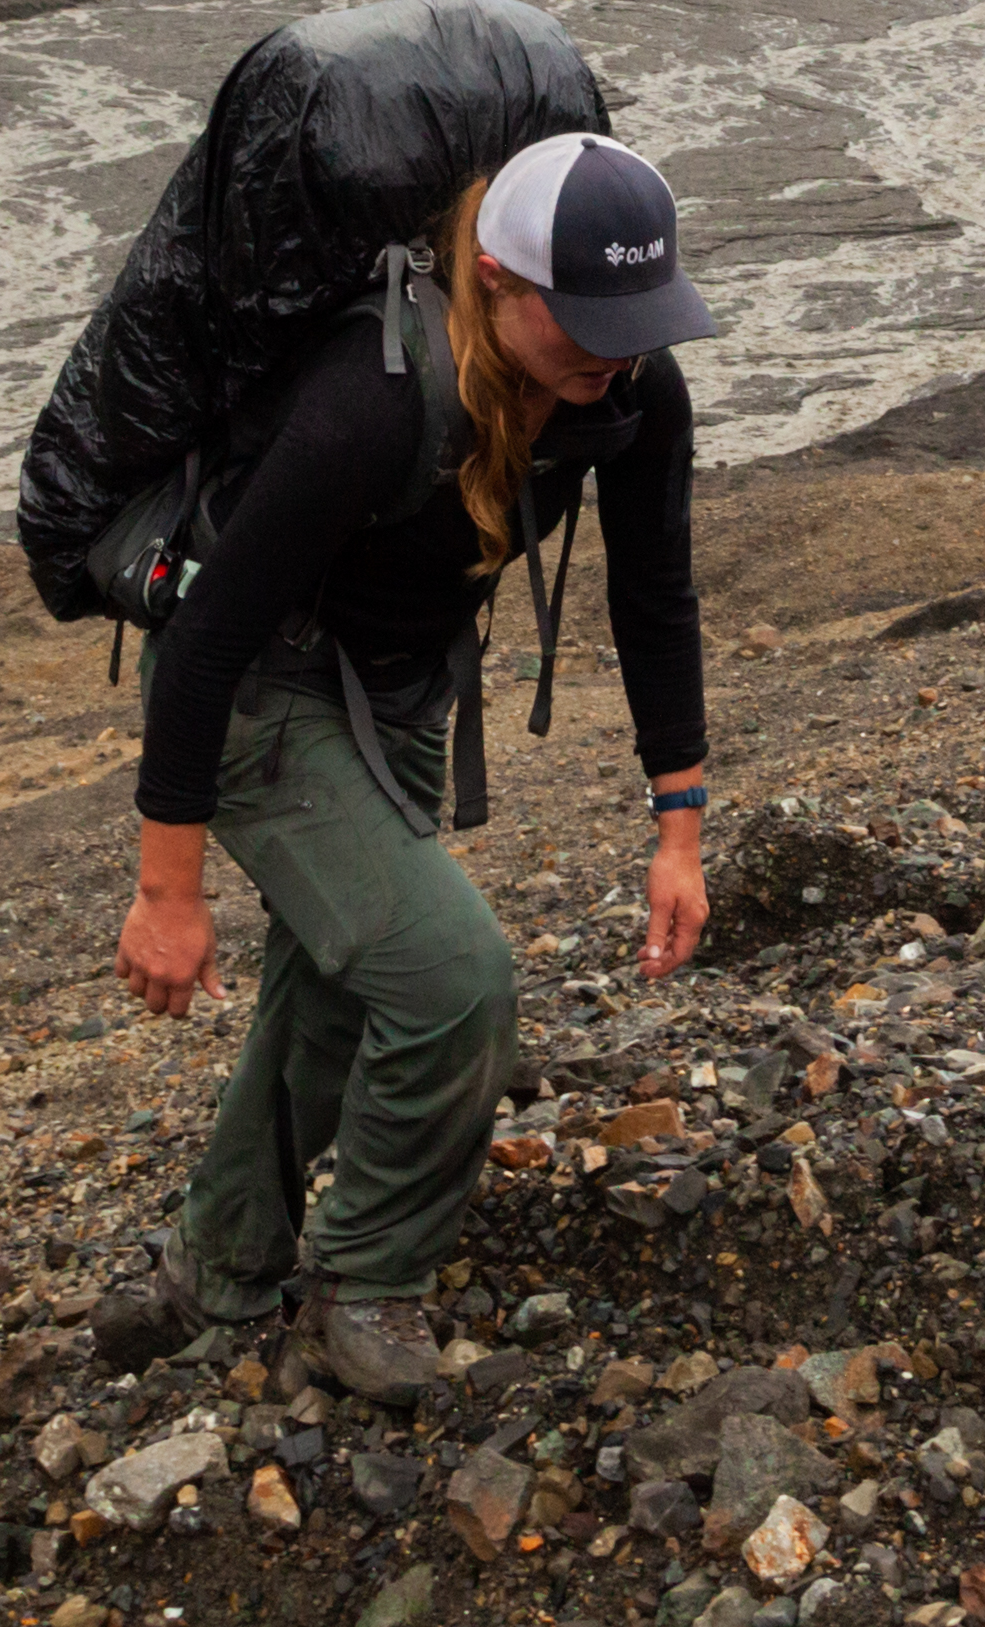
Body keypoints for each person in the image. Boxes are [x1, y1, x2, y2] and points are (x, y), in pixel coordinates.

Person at [97, 130, 719, 1403]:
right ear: (493, 276)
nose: (615, 351)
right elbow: (205, 638)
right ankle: (366, 1283)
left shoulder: (633, 394)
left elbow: (658, 598)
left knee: (336, 991)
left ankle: (216, 1268)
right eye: (584, 318)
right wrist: (167, 891)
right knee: (450, 983)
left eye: (639, 317)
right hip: (257, 697)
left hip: (395, 693)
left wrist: (680, 828)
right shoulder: (375, 394)